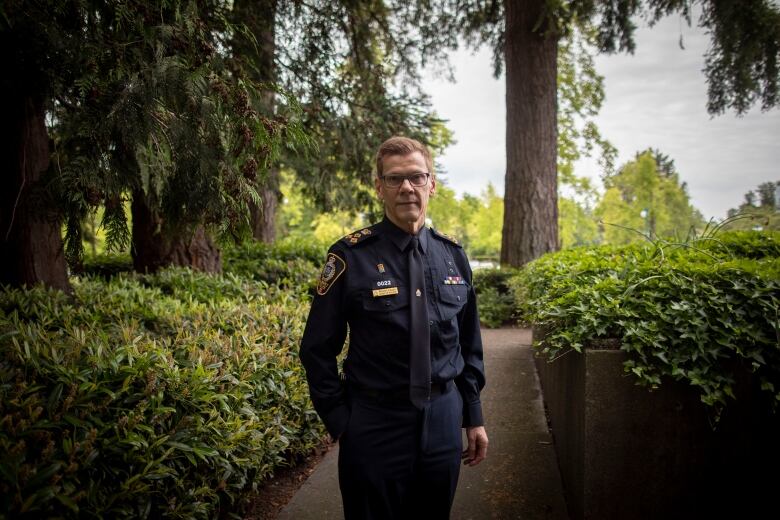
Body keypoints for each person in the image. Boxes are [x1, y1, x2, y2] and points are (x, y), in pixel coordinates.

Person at [300, 136, 488, 519]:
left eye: (417, 177)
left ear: (431, 184)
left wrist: (474, 414)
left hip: (442, 421)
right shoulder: (349, 256)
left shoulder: (453, 256)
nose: (406, 187)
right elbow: (317, 348)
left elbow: (469, 344)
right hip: (374, 425)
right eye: (394, 179)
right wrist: (341, 420)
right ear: (379, 188)